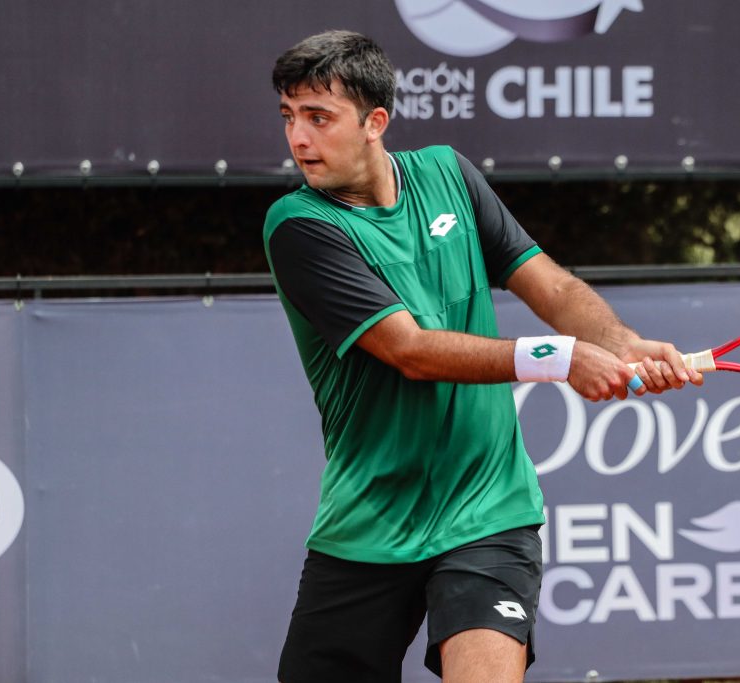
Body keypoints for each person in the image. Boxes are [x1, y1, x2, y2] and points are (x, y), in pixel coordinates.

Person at [263, 30, 702, 683]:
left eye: (319, 118)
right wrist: (561, 357)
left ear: (375, 122)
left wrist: (621, 341)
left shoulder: (448, 174)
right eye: (289, 118)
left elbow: (545, 280)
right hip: (369, 521)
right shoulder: (299, 227)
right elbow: (409, 350)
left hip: (487, 508)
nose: (299, 139)